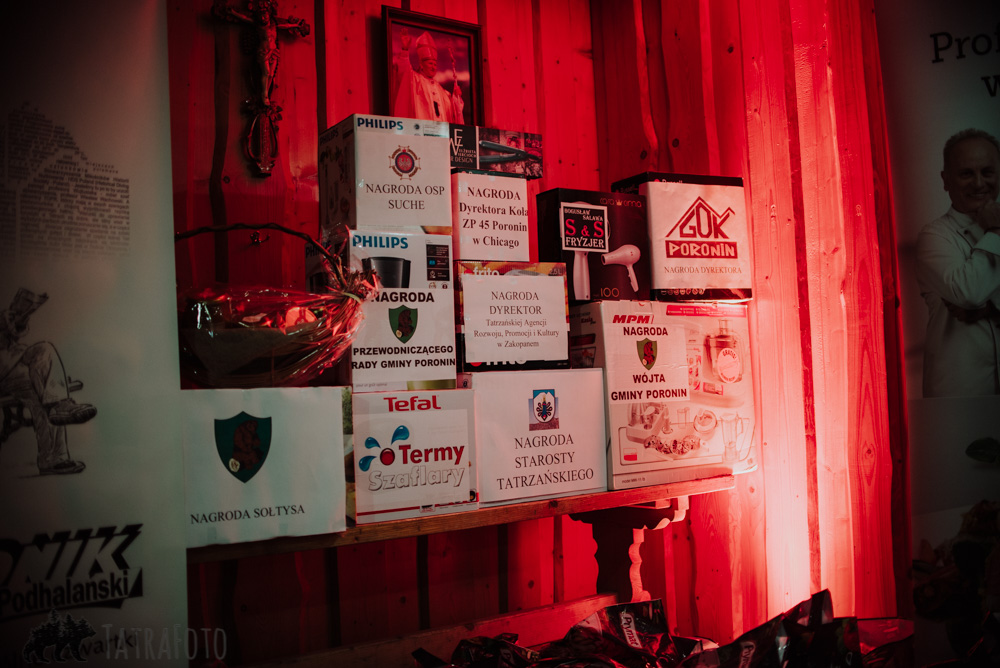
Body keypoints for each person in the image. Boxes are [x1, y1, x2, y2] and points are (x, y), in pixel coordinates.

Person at [915, 128, 1000, 397]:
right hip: (959, 394)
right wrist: (995, 231)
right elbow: (969, 292)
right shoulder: (934, 236)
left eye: (987, 172)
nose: (979, 183)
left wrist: (991, 309)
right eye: (966, 174)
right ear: (946, 180)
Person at [0, 289, 95, 474]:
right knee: (43, 388)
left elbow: (13, 335)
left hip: (15, 362)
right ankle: (54, 454)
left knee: (45, 350)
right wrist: (4, 319)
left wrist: (19, 320)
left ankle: (58, 412)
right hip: (5, 370)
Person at [391, 28, 465, 123]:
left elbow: (452, 114)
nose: (433, 67)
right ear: (421, 65)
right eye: (430, 63)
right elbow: (405, 72)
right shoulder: (415, 80)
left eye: (435, 64)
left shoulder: (443, 92)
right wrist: (405, 50)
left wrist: (456, 98)